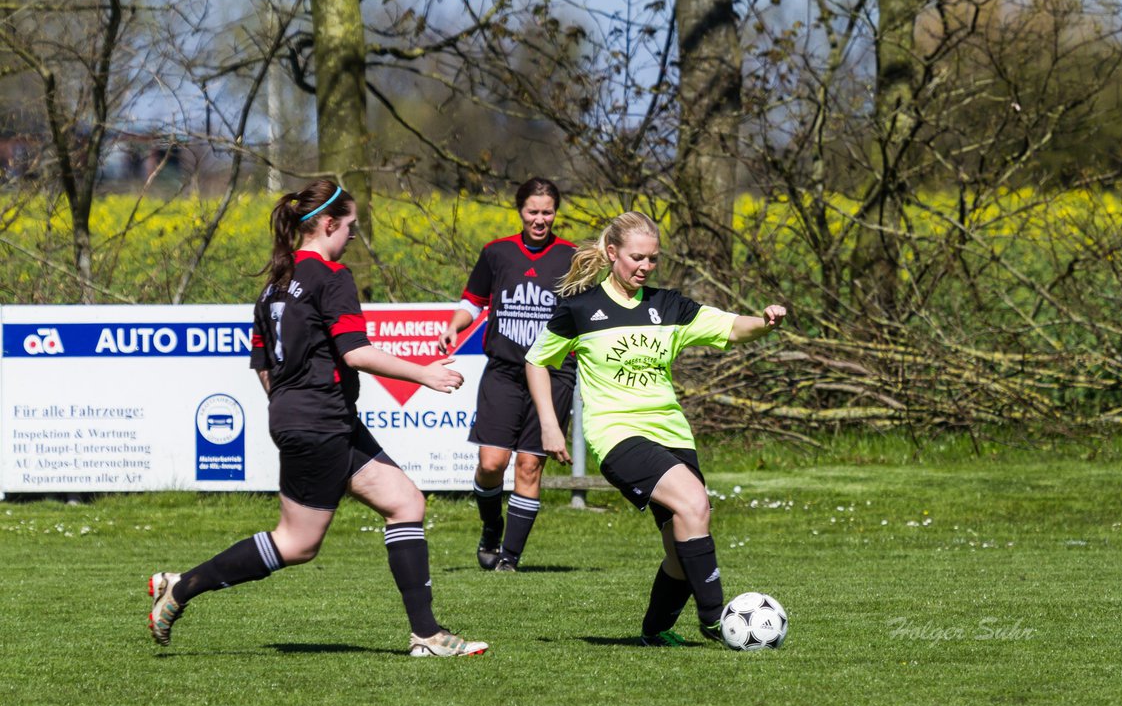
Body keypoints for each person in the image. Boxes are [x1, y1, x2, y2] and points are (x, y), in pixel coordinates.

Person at [149, 179, 489, 657]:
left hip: (310, 417)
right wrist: (424, 375)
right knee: (297, 543)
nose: (353, 235)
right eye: (350, 226)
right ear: (328, 223)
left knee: (406, 502)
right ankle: (182, 588)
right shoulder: (332, 277)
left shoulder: (274, 284)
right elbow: (355, 354)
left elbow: (263, 366)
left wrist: (291, 408)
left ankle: (427, 636)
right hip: (321, 421)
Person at [524, 211, 786, 646]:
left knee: (683, 542)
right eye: (636, 257)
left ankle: (656, 629)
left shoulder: (669, 307)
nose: (645, 266)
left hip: (672, 433)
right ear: (612, 254)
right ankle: (717, 620)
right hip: (616, 433)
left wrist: (765, 322)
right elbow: (537, 361)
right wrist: (550, 426)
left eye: (653, 259)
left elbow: (731, 326)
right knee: (693, 501)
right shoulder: (580, 310)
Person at [438, 177, 578, 572]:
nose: (540, 219)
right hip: (503, 371)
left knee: (530, 466)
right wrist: (456, 324)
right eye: (533, 211)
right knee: (492, 463)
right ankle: (490, 527)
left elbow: (586, 311)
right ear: (520, 211)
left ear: (556, 213)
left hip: (553, 376)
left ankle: (509, 559)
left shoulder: (571, 257)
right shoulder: (497, 253)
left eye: (547, 212)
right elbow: (473, 299)